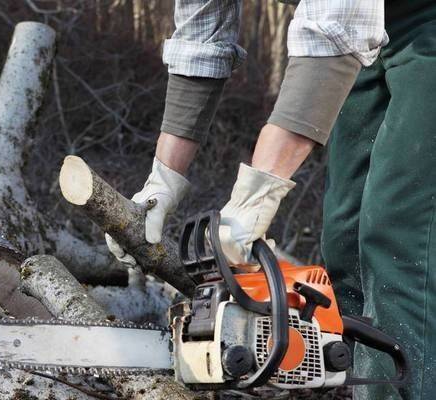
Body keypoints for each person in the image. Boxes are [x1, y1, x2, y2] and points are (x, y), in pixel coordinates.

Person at [105, 1, 436, 398]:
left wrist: (254, 197)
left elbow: (335, 27)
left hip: (404, 23)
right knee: (344, 239)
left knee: (398, 236)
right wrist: (164, 179)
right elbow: (201, 39)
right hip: (372, 31)